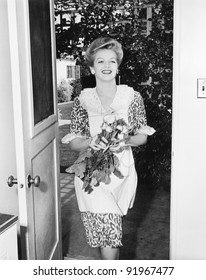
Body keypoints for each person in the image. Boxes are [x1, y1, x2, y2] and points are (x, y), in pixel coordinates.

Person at [62, 37, 155, 260]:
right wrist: (90, 142)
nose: (106, 66)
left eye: (112, 61)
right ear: (92, 68)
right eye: (100, 61)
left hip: (122, 171)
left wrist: (127, 140)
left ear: (117, 65)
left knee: (108, 233)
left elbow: (143, 136)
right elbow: (74, 142)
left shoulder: (132, 97)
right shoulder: (83, 101)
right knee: (110, 233)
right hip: (91, 174)